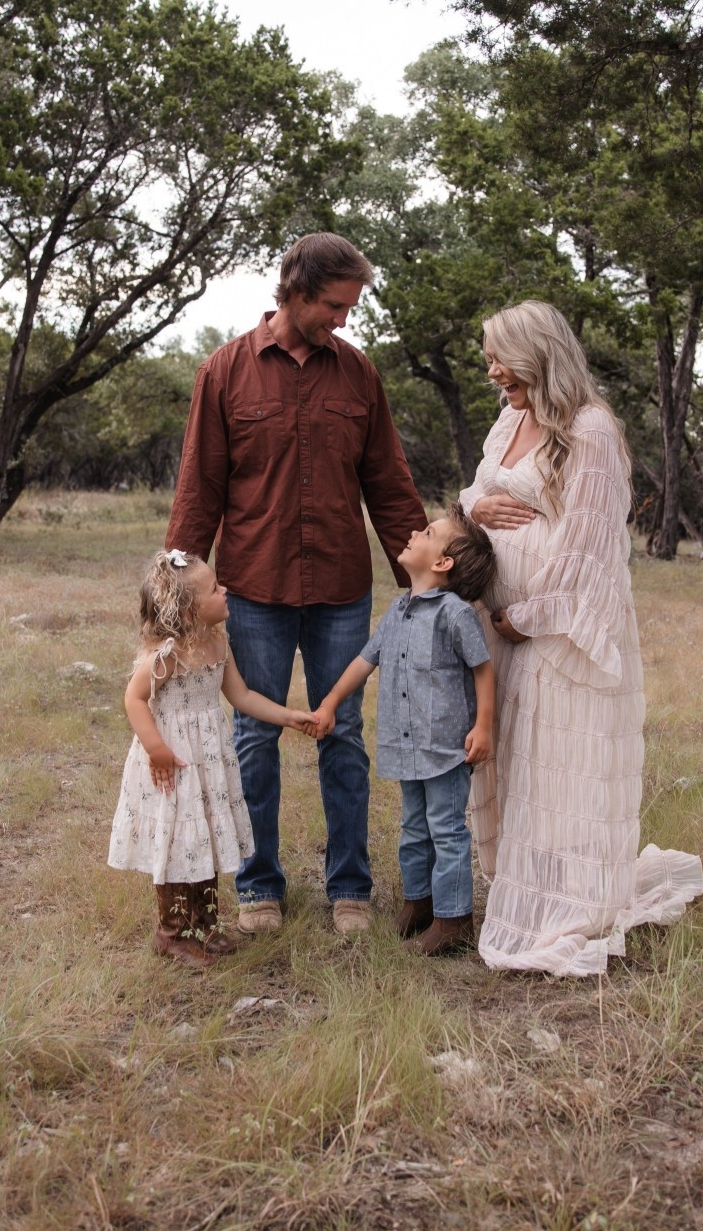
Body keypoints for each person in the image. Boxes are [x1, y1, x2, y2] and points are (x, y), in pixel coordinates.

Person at [166, 233, 429, 936]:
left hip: (342, 587)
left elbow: (391, 486)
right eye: (336, 306)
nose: (344, 320)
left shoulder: (359, 375)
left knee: (342, 731)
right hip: (253, 588)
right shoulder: (224, 372)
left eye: (351, 308)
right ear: (298, 293)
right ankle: (259, 888)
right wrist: (175, 591)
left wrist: (427, 582)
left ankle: (349, 888)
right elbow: (199, 490)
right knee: (255, 736)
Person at [460, 300, 703, 976]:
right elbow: (472, 497)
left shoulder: (590, 430)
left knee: (556, 772)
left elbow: (591, 548)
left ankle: (564, 907)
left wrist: (527, 618)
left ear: (540, 353)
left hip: (556, 633)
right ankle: (527, 885)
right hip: (500, 628)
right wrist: (474, 509)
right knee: (515, 767)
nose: (491, 371)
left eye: (500, 356)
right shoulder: (510, 418)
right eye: (488, 358)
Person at [108, 549, 319, 967]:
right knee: (178, 838)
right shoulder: (167, 654)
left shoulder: (218, 643)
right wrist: (157, 749)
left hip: (207, 759)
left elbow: (241, 696)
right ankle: (172, 933)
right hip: (174, 759)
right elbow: (134, 698)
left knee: (201, 833)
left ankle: (204, 923)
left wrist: (289, 715)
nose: (226, 593)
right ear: (189, 609)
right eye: (215, 589)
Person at [308, 509, 499, 955]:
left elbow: (483, 670)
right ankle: (420, 904)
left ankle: (454, 921)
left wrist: (483, 727)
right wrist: (331, 702)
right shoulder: (398, 611)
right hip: (407, 744)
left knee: (446, 829)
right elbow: (364, 660)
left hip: (447, 746)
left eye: (428, 533)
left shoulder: (455, 614)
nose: (414, 531)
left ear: (443, 564)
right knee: (413, 827)